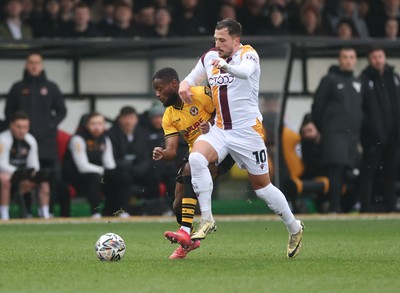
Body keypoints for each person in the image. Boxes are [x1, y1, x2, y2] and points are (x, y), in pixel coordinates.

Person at [170, 19, 304, 259]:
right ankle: (208, 220)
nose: (217, 44)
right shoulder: (210, 57)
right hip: (220, 129)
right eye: (215, 39)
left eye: (222, 40)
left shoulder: (248, 54)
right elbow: (191, 78)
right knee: (197, 158)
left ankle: (294, 227)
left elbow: (244, 73)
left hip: (247, 132)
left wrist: (225, 66)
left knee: (263, 188)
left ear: (236, 40)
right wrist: (183, 85)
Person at [153, 67, 235, 259]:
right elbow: (172, 150)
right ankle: (189, 241)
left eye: (159, 88)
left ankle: (185, 232)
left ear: (174, 85)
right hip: (196, 153)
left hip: (221, 147)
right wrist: (163, 153)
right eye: (155, 90)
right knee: (177, 204)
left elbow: (224, 111)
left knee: (191, 167)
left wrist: (212, 124)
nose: (157, 94)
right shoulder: (169, 116)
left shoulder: (199, 93)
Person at [5, 51, 67, 217]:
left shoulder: (51, 87)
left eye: (37, 62)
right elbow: (8, 112)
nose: (34, 66)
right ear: (26, 65)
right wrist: (18, 130)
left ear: (42, 65)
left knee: (49, 175)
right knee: (25, 174)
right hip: (23, 141)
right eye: (31, 62)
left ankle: (49, 210)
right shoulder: (18, 87)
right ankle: (27, 212)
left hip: (46, 142)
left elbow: (62, 110)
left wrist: (51, 125)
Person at [311, 47, 362, 213]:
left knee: (349, 170)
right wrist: (323, 127)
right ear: (339, 60)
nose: (348, 60)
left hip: (352, 135)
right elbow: (317, 106)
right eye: (345, 57)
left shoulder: (357, 82)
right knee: (336, 168)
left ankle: (345, 207)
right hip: (334, 133)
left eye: (351, 57)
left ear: (355, 60)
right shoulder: (330, 79)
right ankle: (334, 207)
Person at [358, 47, 400, 213]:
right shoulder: (364, 79)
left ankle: (391, 205)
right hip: (373, 136)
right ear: (369, 59)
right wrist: (372, 129)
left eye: (380, 56)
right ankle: (365, 206)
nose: (378, 60)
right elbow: (362, 110)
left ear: (385, 57)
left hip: (393, 135)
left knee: (391, 171)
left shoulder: (394, 77)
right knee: (369, 170)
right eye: (374, 57)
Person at [62, 112, 116, 218]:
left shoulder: (105, 139)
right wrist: (104, 171)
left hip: (98, 173)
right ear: (86, 125)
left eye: (100, 124)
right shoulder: (77, 139)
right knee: (94, 177)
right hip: (75, 176)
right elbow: (82, 167)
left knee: (120, 176)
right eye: (93, 124)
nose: (97, 127)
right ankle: (95, 212)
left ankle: (117, 211)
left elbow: (110, 164)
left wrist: (112, 174)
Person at [0, 111, 50, 220]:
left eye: (25, 127)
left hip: (22, 173)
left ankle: (45, 215)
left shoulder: (30, 140)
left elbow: (34, 164)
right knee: (4, 179)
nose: (22, 130)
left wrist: (31, 175)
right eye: (19, 127)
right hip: (8, 174)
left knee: (44, 182)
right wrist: (20, 173)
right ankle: (4, 215)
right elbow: (1, 164)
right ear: (11, 125)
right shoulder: (3, 139)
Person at [106, 106, 154, 217]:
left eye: (131, 118)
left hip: (138, 169)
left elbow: (146, 157)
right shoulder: (110, 134)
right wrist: (127, 168)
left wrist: (138, 169)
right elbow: (111, 159)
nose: (128, 121)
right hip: (120, 170)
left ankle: (152, 208)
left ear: (136, 119)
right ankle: (122, 210)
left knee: (153, 176)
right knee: (123, 177)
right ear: (120, 119)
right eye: (125, 118)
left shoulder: (143, 134)